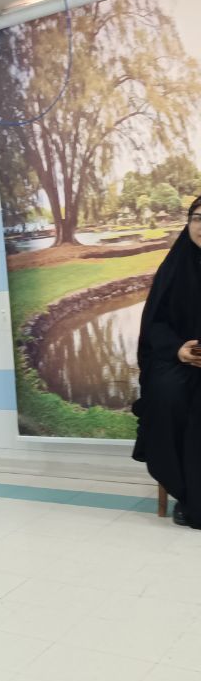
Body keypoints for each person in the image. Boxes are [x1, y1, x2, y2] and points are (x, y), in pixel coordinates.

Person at [132, 195, 201, 527]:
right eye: (198, 218)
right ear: (188, 223)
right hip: (181, 359)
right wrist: (178, 350)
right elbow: (155, 322)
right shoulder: (174, 267)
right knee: (168, 394)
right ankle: (185, 493)